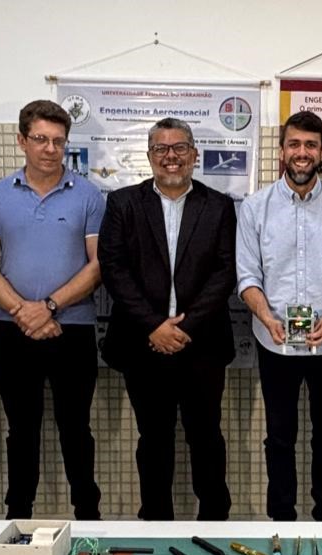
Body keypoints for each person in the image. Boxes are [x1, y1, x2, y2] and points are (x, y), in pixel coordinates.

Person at [0, 100, 105, 520]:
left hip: (73, 330)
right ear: (22, 141)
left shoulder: (89, 195)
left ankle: (88, 516)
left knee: (76, 428)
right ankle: (18, 517)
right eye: (41, 139)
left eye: (58, 141)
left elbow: (98, 265)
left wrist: (49, 307)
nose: (50, 149)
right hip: (11, 329)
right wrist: (23, 311)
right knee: (21, 429)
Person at [99, 117, 236, 521]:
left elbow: (225, 271)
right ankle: (156, 521)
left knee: (206, 437)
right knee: (153, 438)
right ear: (149, 156)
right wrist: (154, 326)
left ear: (194, 155)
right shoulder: (123, 203)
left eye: (179, 148)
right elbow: (114, 269)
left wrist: (184, 328)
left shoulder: (219, 206)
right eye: (161, 148)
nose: (170, 156)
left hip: (202, 345)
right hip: (143, 345)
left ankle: (213, 521)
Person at [237, 111, 322, 521]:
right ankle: (282, 518)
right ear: (281, 151)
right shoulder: (255, 208)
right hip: (273, 340)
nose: (302, 152)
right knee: (279, 436)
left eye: (310, 145)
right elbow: (247, 276)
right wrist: (267, 317)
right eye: (294, 144)